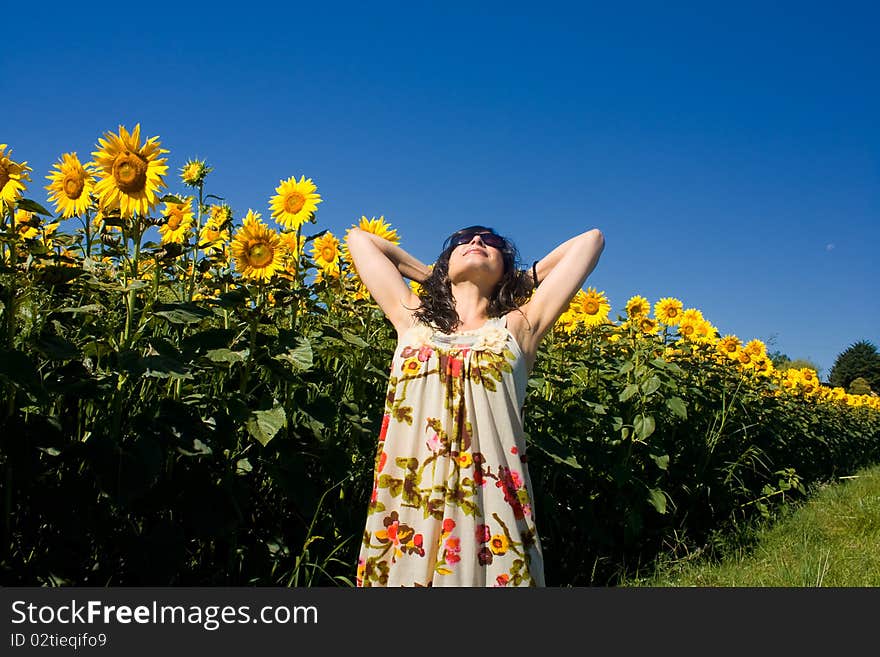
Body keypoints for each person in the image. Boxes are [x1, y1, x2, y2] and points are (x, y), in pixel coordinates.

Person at [346, 223, 605, 586]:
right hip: (410, 506)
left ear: (505, 268)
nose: (477, 242)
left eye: (492, 243)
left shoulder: (519, 327)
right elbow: (360, 240)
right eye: (462, 242)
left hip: (490, 511)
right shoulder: (411, 318)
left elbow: (590, 241)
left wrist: (520, 282)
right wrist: (433, 276)